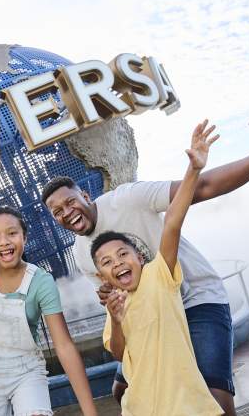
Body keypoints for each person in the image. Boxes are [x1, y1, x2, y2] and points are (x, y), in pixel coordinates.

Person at [41, 82, 249, 415]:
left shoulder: (129, 199)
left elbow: (200, 189)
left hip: (196, 300)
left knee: (214, 395)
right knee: (123, 389)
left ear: (86, 197)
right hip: (156, 315)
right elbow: (120, 304)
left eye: (70, 202)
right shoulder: (80, 254)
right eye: (57, 211)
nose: (67, 212)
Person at [93, 121, 223, 415]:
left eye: (123, 253)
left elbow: (173, 221)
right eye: (107, 262)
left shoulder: (159, 276)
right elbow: (117, 352)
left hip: (188, 407)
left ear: (140, 257)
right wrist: (115, 318)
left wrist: (194, 170)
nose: (118, 263)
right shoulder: (114, 305)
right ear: (103, 276)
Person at [0, 206, 98, 416]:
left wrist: (91, 413)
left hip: (26, 372)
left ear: (24, 237)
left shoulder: (41, 282)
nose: (4, 242)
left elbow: (64, 346)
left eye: (12, 233)